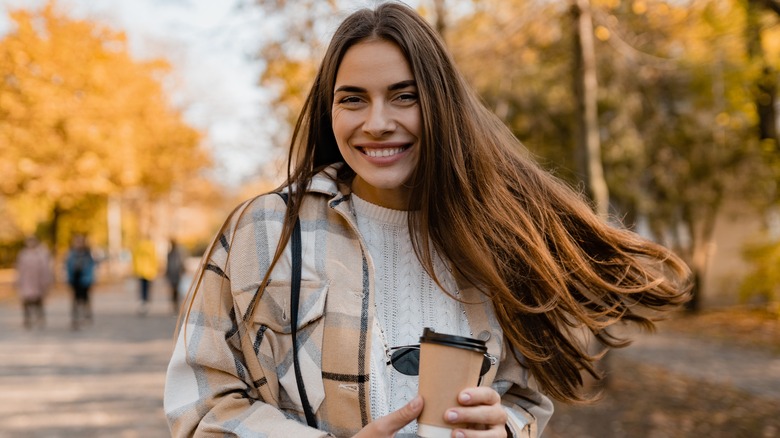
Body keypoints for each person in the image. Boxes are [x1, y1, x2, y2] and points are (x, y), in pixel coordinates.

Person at [164, 3, 691, 437]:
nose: (377, 123)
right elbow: (200, 405)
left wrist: (501, 427)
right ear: (330, 111)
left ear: (440, 104)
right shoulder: (264, 231)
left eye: (404, 96)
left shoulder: (496, 235)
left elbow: (525, 400)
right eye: (353, 100)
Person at [15, 236, 53, 330]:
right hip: (26, 281)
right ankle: (27, 319)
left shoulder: (41, 254)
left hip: (37, 282)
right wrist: (17, 281)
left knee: (38, 301)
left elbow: (45, 269)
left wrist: (46, 281)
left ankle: (39, 317)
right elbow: (19, 269)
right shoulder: (23, 254)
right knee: (26, 301)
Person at [65, 234, 96, 330]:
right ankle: (76, 317)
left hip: (85, 279)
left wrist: (90, 279)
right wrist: (68, 278)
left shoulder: (87, 254)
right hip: (74, 279)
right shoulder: (71, 254)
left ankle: (86, 315)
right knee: (75, 299)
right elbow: (67, 267)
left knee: (85, 299)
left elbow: (91, 268)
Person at [132, 236, 159, 315]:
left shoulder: (138, 245)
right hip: (149, 271)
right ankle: (146, 303)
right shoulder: (151, 246)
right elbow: (154, 259)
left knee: (142, 288)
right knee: (147, 288)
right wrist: (155, 270)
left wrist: (135, 270)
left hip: (140, 271)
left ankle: (142, 303)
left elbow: (135, 258)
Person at [165, 238, 186, 314]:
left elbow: (181, 262)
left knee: (176, 290)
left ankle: (176, 304)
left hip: (176, 273)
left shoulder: (177, 253)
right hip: (172, 273)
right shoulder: (170, 253)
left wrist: (183, 269)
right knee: (173, 290)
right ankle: (174, 304)